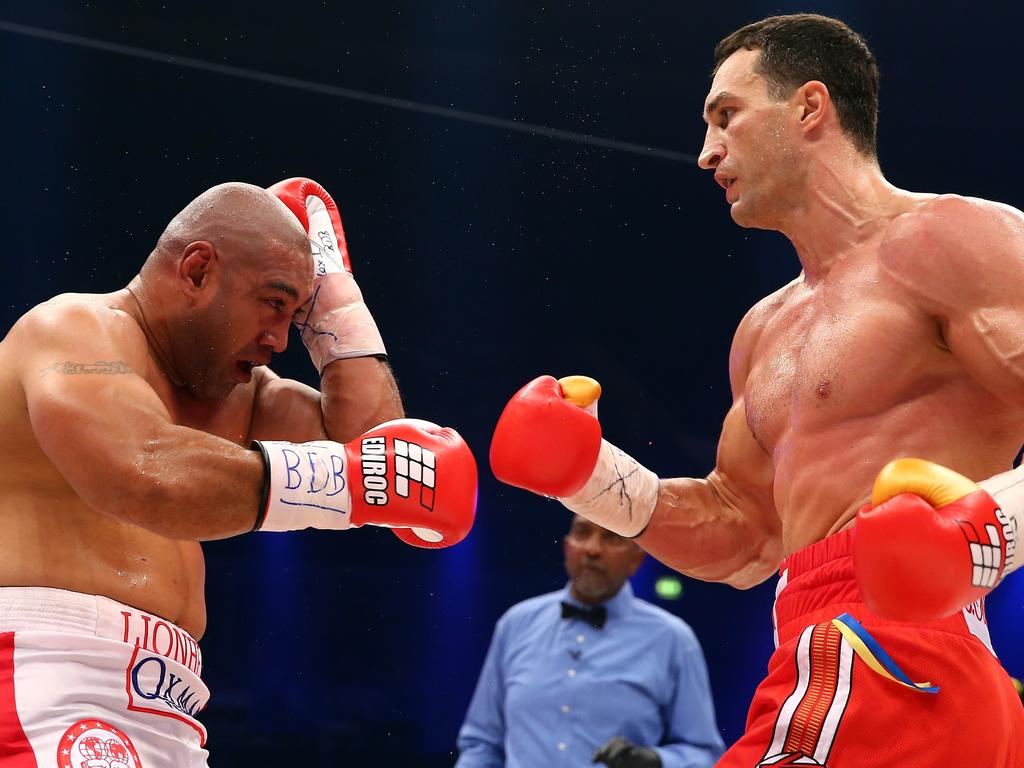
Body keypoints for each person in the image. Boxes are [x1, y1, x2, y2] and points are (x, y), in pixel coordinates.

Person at [489, 14, 1024, 766]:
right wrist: (589, 476)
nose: (707, 152)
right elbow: (745, 537)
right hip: (842, 659)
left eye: (726, 116)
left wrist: (985, 533)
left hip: (888, 659)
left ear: (810, 108)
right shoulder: (765, 328)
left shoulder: (953, 240)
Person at [0, 178, 478, 767]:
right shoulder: (73, 333)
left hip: (171, 709)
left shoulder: (238, 395)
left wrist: (337, 305)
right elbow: (143, 472)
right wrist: (346, 481)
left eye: (298, 316)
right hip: (43, 677)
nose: (281, 339)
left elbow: (384, 463)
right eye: (275, 303)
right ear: (198, 270)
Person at [455, 515, 724, 768]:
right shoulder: (516, 625)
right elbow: (481, 745)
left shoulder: (673, 640)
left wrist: (656, 761)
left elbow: (704, 754)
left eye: (612, 537)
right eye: (583, 533)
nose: (593, 549)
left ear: (637, 559)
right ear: (567, 547)